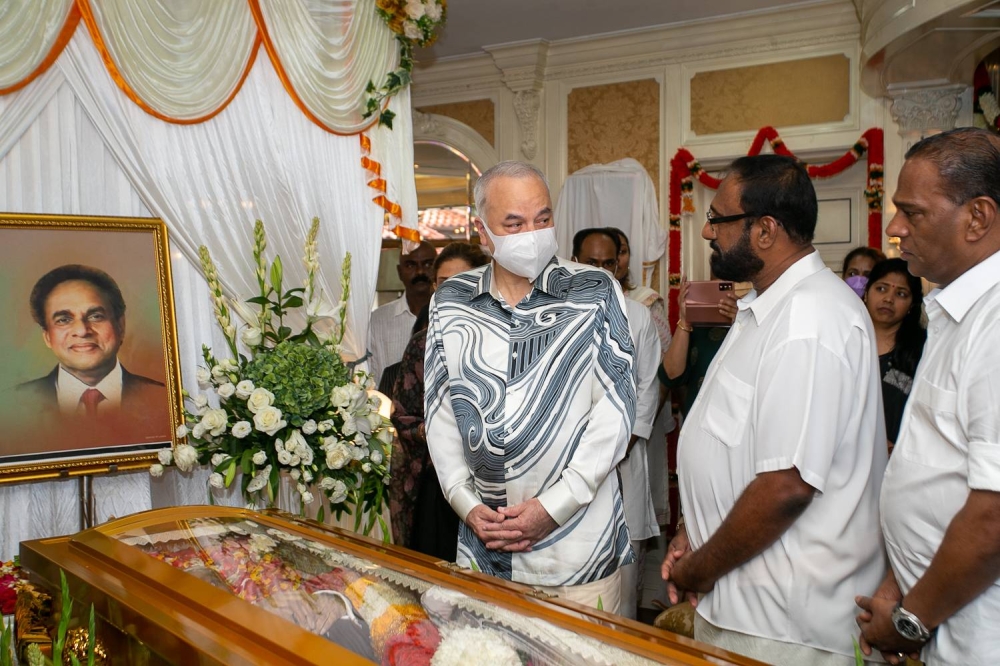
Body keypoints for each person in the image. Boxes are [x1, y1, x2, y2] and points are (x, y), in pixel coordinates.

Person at [662, 154, 887, 665]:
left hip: (786, 625)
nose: (707, 234)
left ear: (764, 230)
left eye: (718, 219)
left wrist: (698, 569)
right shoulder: (768, 307)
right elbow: (736, 446)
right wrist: (694, 527)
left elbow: (786, 486)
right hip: (748, 607)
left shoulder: (809, 316)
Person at [425, 160, 637, 612]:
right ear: (484, 233)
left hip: (577, 550)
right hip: (485, 549)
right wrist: (463, 501)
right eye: (514, 223)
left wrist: (553, 507)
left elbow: (616, 410)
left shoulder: (595, 290)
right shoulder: (450, 300)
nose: (533, 234)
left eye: (543, 219)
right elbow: (441, 411)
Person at [855, 127, 1000, 666]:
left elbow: (993, 515)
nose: (894, 229)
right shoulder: (953, 312)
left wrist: (913, 620)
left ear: (977, 217)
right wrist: (899, 582)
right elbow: (936, 470)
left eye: (911, 213)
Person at [572, 227, 659, 619]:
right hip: (567, 460)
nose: (604, 270)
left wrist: (616, 446)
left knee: (624, 581)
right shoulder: (554, 312)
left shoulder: (639, 317)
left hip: (623, 458)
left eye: (610, 262)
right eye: (593, 262)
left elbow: (647, 387)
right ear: (574, 261)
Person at [390, 242, 489, 559]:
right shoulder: (423, 343)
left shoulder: (508, 336)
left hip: (497, 482)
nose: (453, 291)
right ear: (435, 286)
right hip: (439, 485)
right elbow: (402, 417)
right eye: (445, 283)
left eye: (465, 280)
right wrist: (436, 433)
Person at [11, 264, 168, 453]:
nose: (82, 331)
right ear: (47, 337)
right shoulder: (13, 406)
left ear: (120, 326)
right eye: (63, 320)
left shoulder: (162, 399)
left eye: (95, 316)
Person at [861, 258, 926, 454]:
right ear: (866, 293)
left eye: (901, 293)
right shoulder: (844, 341)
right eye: (881, 289)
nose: (889, 299)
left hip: (899, 462)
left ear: (911, 305)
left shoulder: (922, 352)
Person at [658, 277, 738, 419]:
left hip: (734, 423)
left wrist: (742, 322)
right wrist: (684, 320)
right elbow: (671, 375)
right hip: (696, 423)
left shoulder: (752, 314)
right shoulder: (695, 327)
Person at [367, 241, 436, 390]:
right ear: (399, 272)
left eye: (428, 264)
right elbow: (371, 383)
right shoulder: (377, 321)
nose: (420, 272)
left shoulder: (451, 315)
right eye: (411, 265)